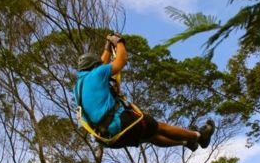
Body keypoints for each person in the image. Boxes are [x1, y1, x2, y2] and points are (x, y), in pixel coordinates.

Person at [75, 34, 215, 150]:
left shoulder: (79, 85)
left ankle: (185, 142)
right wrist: (119, 41)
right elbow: (121, 60)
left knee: (151, 135)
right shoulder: (97, 74)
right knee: (160, 127)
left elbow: (101, 63)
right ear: (95, 66)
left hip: (109, 137)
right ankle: (199, 137)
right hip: (121, 124)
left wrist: (107, 47)